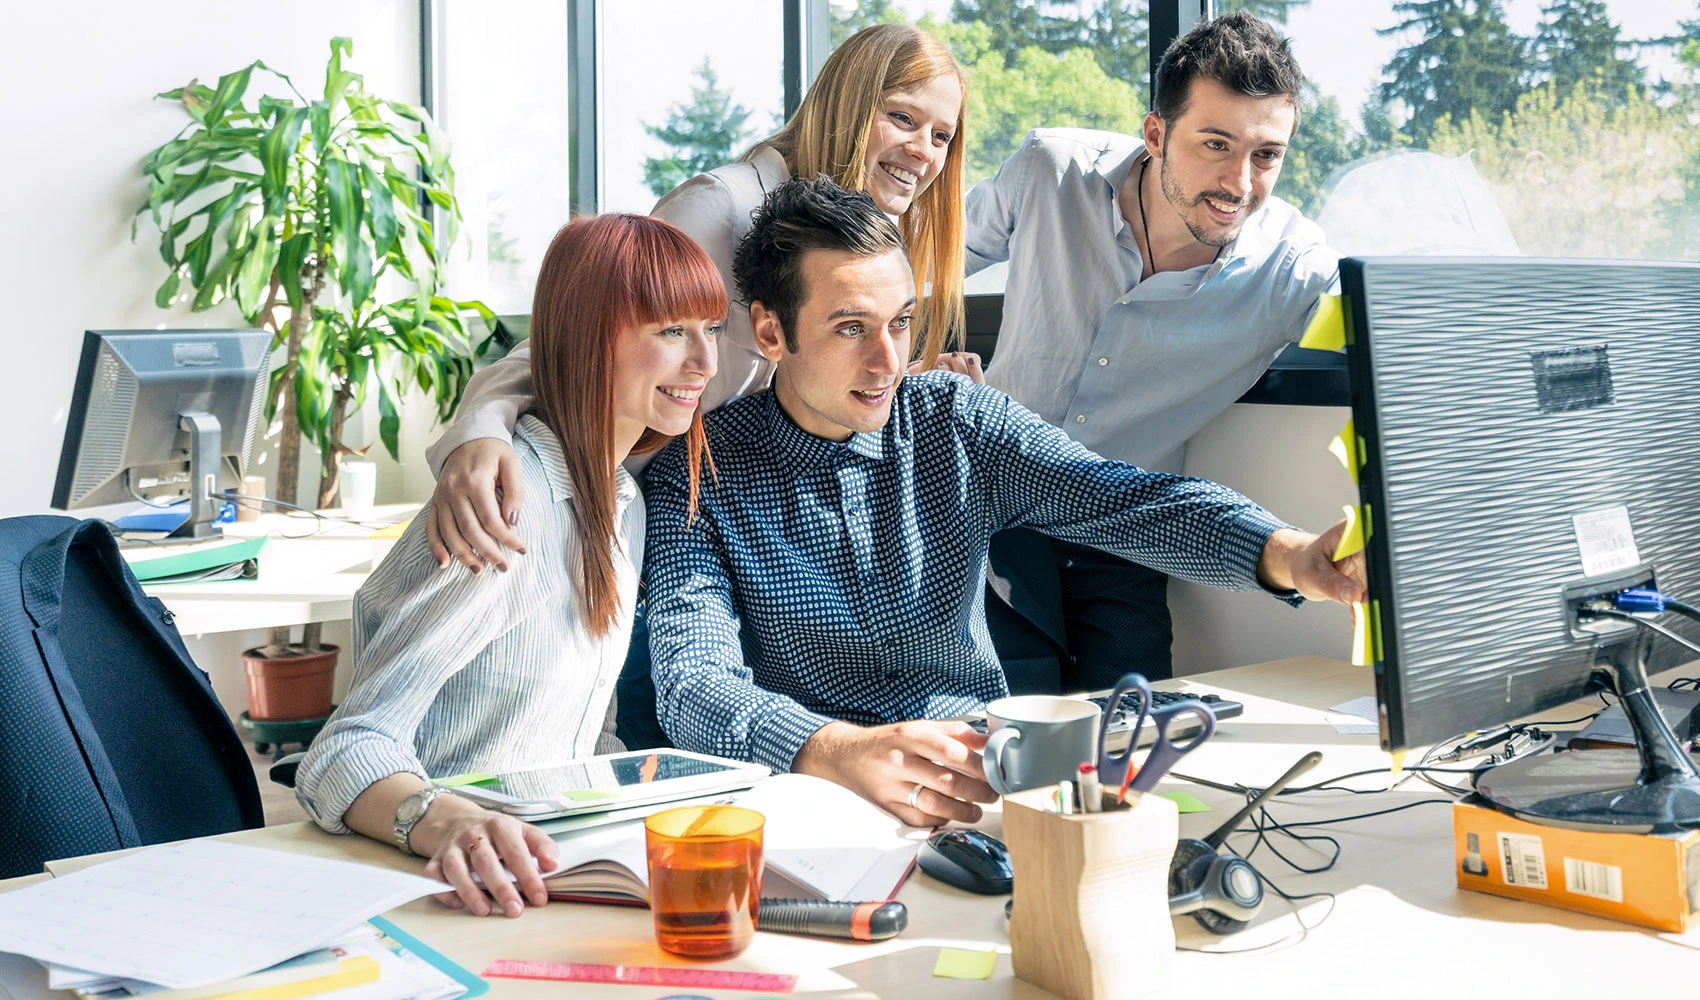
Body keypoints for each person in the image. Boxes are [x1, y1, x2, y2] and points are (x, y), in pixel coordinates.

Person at [642, 176, 1365, 827]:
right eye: (851, 328)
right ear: (771, 331)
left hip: (987, 791)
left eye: (901, 322)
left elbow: (1127, 500)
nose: (889, 362)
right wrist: (832, 748)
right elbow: (690, 679)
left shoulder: (955, 419)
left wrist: (1289, 554)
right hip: (819, 807)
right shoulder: (699, 470)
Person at [421, 23, 977, 574]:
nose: (923, 151)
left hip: (711, 535)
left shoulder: (869, 242)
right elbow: (572, 342)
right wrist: (480, 433)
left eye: (941, 136)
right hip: (586, 521)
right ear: (847, 105)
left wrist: (923, 382)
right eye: (903, 118)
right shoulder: (721, 209)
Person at [293, 214, 723, 919]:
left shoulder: (623, 501)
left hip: (544, 874)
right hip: (439, 887)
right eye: (672, 330)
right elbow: (346, 748)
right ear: (589, 338)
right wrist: (450, 822)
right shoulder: (507, 505)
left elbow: (577, 733)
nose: (704, 361)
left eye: (711, 328)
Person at [966, 11, 1340, 690]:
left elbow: (1394, 341)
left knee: (1137, 744)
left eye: (1266, 155)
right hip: (993, 510)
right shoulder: (1050, 172)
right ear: (1156, 134)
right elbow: (913, 263)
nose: (1239, 182)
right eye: (1216, 144)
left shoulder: (1292, 268)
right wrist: (915, 357)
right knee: (998, 727)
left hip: (1125, 531)